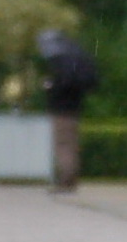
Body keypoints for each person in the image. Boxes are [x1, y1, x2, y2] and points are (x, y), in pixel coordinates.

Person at [38, 31, 99, 192]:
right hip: (75, 106)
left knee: (63, 145)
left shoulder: (60, 61)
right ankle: (71, 178)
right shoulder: (77, 58)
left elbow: (62, 83)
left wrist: (50, 85)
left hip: (61, 108)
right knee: (71, 144)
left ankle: (65, 181)